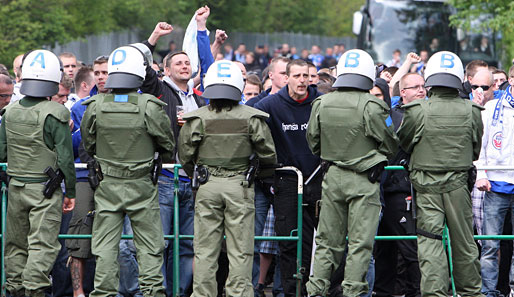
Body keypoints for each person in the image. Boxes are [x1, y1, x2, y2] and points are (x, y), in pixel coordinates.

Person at [81, 44, 175, 297]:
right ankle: (153, 292)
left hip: (108, 184)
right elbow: (167, 144)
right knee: (149, 246)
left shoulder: (95, 105)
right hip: (142, 184)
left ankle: (103, 293)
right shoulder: (149, 106)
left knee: (105, 246)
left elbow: (88, 144)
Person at [178, 60, 277, 297]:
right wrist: (253, 174)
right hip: (240, 185)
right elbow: (269, 156)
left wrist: (199, 174)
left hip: (207, 185)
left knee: (205, 249)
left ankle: (203, 294)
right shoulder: (252, 118)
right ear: (238, 85)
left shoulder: (197, 118)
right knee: (240, 249)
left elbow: (185, 156)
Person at [305, 49, 398, 297]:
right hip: (364, 180)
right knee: (360, 244)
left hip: (332, 177)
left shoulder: (321, 103)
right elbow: (390, 145)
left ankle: (316, 290)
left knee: (326, 243)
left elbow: (314, 143)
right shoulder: (374, 106)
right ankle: (353, 292)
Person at [397, 51, 484, 296]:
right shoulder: (472, 110)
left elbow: (404, 142)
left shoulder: (417, 110)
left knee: (430, 243)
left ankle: (435, 293)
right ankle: (470, 292)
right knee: (465, 243)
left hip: (426, 187)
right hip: (458, 186)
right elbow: (475, 149)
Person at [2, 49, 76, 297]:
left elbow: (2, 151)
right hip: (45, 190)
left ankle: (15, 289)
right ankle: (35, 290)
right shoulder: (56, 113)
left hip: (16, 187)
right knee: (42, 244)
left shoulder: (10, 111)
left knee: (15, 244)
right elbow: (65, 158)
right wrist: (71, 192)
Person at [255, 59, 324, 296]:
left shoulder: (322, 102)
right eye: (297, 76)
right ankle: (291, 291)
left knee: (327, 241)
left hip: (319, 179)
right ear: (287, 78)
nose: (303, 81)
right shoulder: (269, 105)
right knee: (289, 243)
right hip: (286, 182)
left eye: (306, 76)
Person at [374, 73, 426, 297]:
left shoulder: (429, 114)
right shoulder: (390, 116)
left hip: (405, 190)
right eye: (415, 87)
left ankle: (417, 292)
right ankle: (382, 291)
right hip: (381, 189)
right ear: (402, 92)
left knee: (409, 248)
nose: (421, 90)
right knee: (382, 248)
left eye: (423, 86)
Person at [476, 65, 514, 297]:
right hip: (495, 184)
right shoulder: (492, 108)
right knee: (490, 245)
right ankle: (488, 292)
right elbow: (481, 144)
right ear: (510, 79)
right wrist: (481, 174)